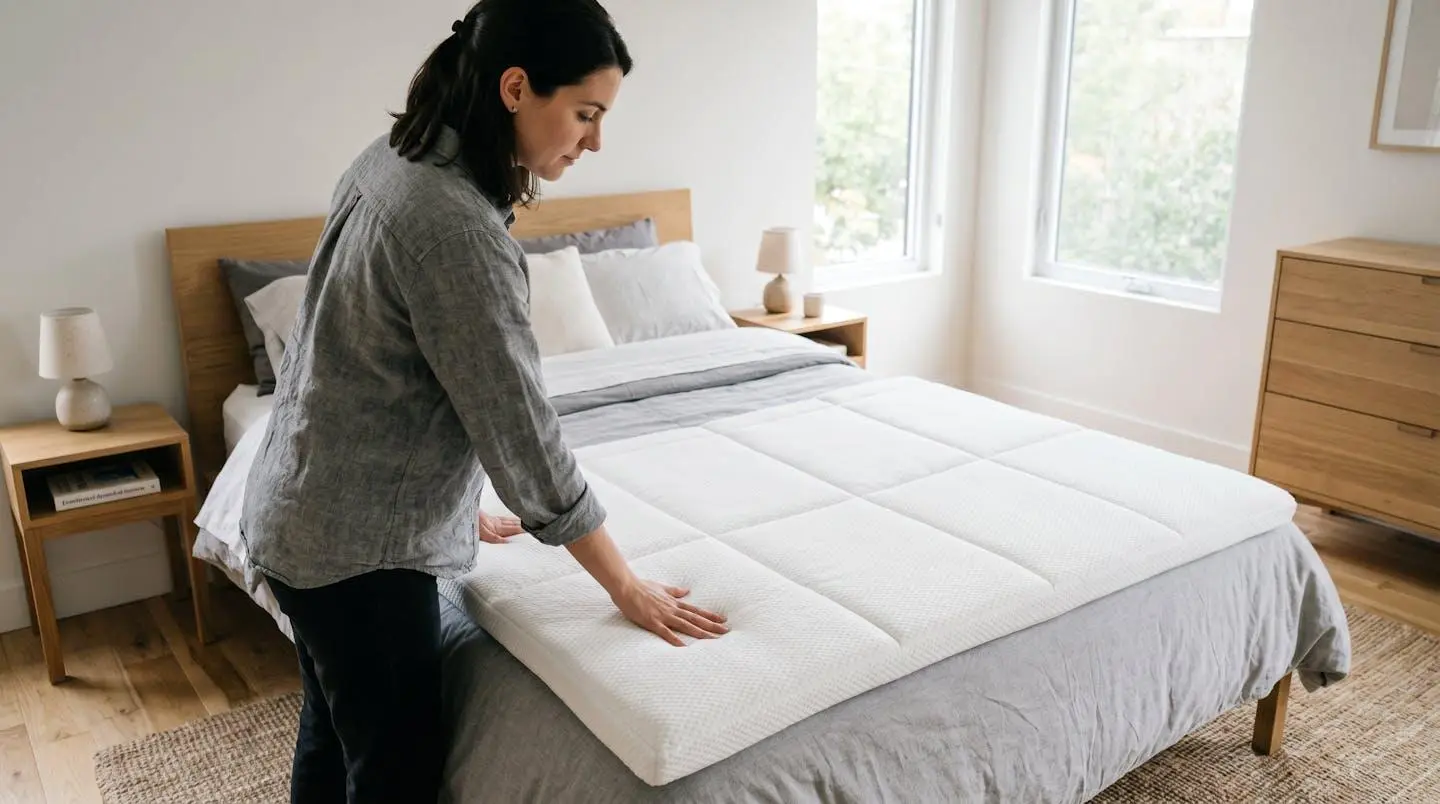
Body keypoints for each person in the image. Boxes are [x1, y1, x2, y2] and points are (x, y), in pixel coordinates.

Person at [236, 2, 729, 801]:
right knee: (393, 775)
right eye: (585, 114)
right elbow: (523, 438)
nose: (595, 141)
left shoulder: (392, 160)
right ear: (515, 88)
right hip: (356, 556)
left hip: (300, 509)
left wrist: (449, 505)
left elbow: (360, 364)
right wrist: (623, 584)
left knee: (331, 738)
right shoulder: (455, 228)